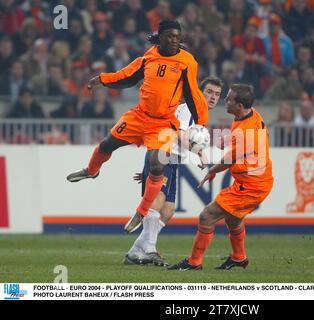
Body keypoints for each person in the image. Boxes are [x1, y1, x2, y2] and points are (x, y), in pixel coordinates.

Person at [66, 20, 209, 233]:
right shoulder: (149, 56)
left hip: (163, 124)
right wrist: (102, 79)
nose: (174, 40)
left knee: (157, 165)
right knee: (106, 145)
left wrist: (200, 124)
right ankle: (92, 170)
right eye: (170, 36)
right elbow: (127, 76)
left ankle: (141, 212)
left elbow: (193, 94)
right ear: (160, 37)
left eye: (178, 37)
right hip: (139, 116)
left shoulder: (187, 62)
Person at [168, 84, 274, 271]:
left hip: (252, 186)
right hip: (253, 181)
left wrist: (212, 171)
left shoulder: (246, 131)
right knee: (233, 219)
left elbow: (229, 160)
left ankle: (194, 262)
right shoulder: (249, 115)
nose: (224, 101)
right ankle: (239, 258)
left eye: (229, 99)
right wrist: (228, 140)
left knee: (207, 216)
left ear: (240, 105)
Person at [124, 77, 223, 266]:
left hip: (171, 160)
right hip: (163, 155)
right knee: (158, 201)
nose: (212, 97)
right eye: (209, 92)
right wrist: (200, 153)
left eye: (217, 94)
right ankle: (150, 249)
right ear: (198, 92)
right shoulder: (188, 109)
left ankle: (135, 252)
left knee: (168, 211)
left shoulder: (199, 114)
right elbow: (179, 134)